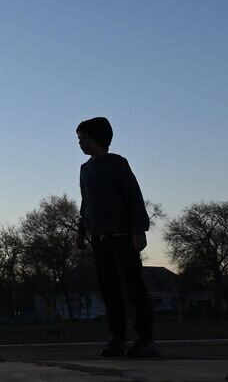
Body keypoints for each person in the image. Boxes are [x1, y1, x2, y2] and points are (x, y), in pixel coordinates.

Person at [74, 117, 158, 358]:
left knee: (133, 286)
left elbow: (133, 196)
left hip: (122, 235)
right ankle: (118, 337)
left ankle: (145, 337)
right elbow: (86, 203)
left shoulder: (117, 164)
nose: (81, 144)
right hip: (98, 238)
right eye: (79, 140)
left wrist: (138, 229)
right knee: (108, 289)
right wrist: (81, 231)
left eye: (85, 139)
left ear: (99, 138)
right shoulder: (85, 170)